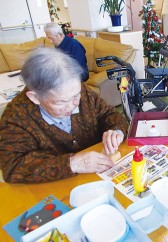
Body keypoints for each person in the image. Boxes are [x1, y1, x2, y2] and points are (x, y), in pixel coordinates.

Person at [0, 48, 128, 183]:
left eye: (76, 95)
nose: (74, 104)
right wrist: (73, 163)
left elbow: (110, 114)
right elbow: (13, 167)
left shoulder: (79, 91)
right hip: (58, 187)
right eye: (62, 101)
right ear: (35, 97)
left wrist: (116, 130)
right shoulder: (15, 118)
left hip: (100, 177)